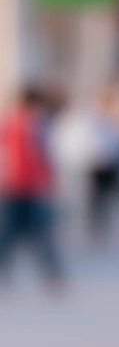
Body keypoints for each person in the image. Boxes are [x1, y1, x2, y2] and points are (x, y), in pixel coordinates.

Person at [0, 87, 63, 291]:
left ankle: (52, 276)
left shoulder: (33, 125)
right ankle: (51, 277)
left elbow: (43, 156)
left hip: (28, 188)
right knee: (10, 236)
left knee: (38, 235)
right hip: (15, 188)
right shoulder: (16, 125)